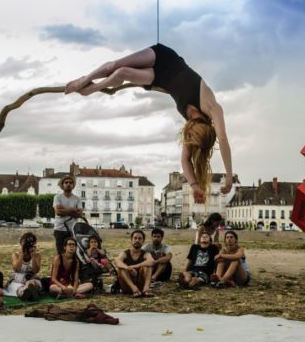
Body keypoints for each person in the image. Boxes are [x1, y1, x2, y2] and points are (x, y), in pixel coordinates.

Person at [65, 44, 233, 203]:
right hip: (165, 58)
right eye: (190, 135)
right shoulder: (212, 106)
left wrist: (195, 186)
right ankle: (85, 81)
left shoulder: (192, 129)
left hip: (157, 79)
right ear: (200, 128)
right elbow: (223, 139)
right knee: (114, 66)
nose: (187, 135)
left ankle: (92, 89)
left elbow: (185, 161)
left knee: (121, 73)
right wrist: (229, 175)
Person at [115, 230, 155, 297]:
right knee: (121, 268)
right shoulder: (125, 253)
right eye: (135, 238)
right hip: (127, 286)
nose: (137, 240)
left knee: (148, 266)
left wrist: (135, 266)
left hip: (141, 286)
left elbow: (152, 261)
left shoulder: (145, 254)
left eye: (140, 238)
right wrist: (128, 268)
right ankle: (134, 289)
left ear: (143, 241)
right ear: (131, 240)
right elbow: (117, 261)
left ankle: (146, 289)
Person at [4, 232, 42, 301]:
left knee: (31, 283)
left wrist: (33, 256)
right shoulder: (15, 255)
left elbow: (36, 271)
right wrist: (21, 254)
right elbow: (16, 269)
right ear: (21, 243)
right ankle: (26, 293)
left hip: (31, 279)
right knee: (19, 288)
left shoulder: (37, 255)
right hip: (17, 280)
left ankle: (28, 291)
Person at [53, 174, 83, 254]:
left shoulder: (77, 198)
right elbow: (58, 212)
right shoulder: (57, 197)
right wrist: (73, 209)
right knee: (60, 253)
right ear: (62, 185)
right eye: (66, 182)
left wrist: (64, 210)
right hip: (59, 229)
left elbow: (79, 214)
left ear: (73, 185)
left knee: (72, 253)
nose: (68, 184)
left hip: (72, 230)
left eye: (70, 182)